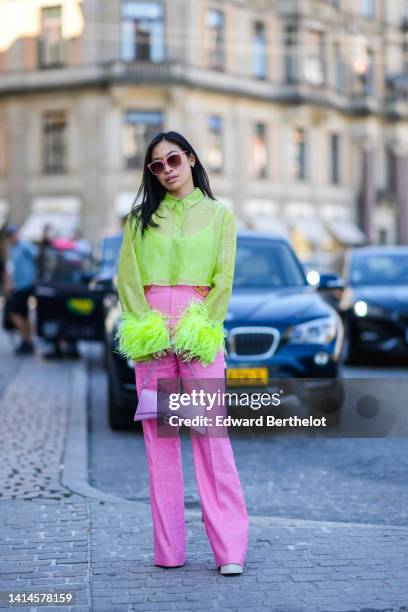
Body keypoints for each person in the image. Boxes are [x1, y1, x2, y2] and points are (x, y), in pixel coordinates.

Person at [116, 131, 249, 576]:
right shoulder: (138, 220)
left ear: (190, 158)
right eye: (157, 165)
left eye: (173, 158)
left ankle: (230, 549)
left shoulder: (219, 216)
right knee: (162, 443)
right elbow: (127, 280)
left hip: (199, 333)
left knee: (212, 438)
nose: (167, 168)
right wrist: (146, 326)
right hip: (151, 336)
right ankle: (169, 550)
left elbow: (223, 279)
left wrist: (201, 325)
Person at [3, 224, 37, 355]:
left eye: (13, 234)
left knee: (15, 314)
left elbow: (37, 255)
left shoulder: (24, 245)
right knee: (22, 315)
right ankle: (27, 342)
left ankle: (26, 340)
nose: (12, 237)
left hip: (25, 285)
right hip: (18, 286)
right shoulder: (12, 249)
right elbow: (10, 268)